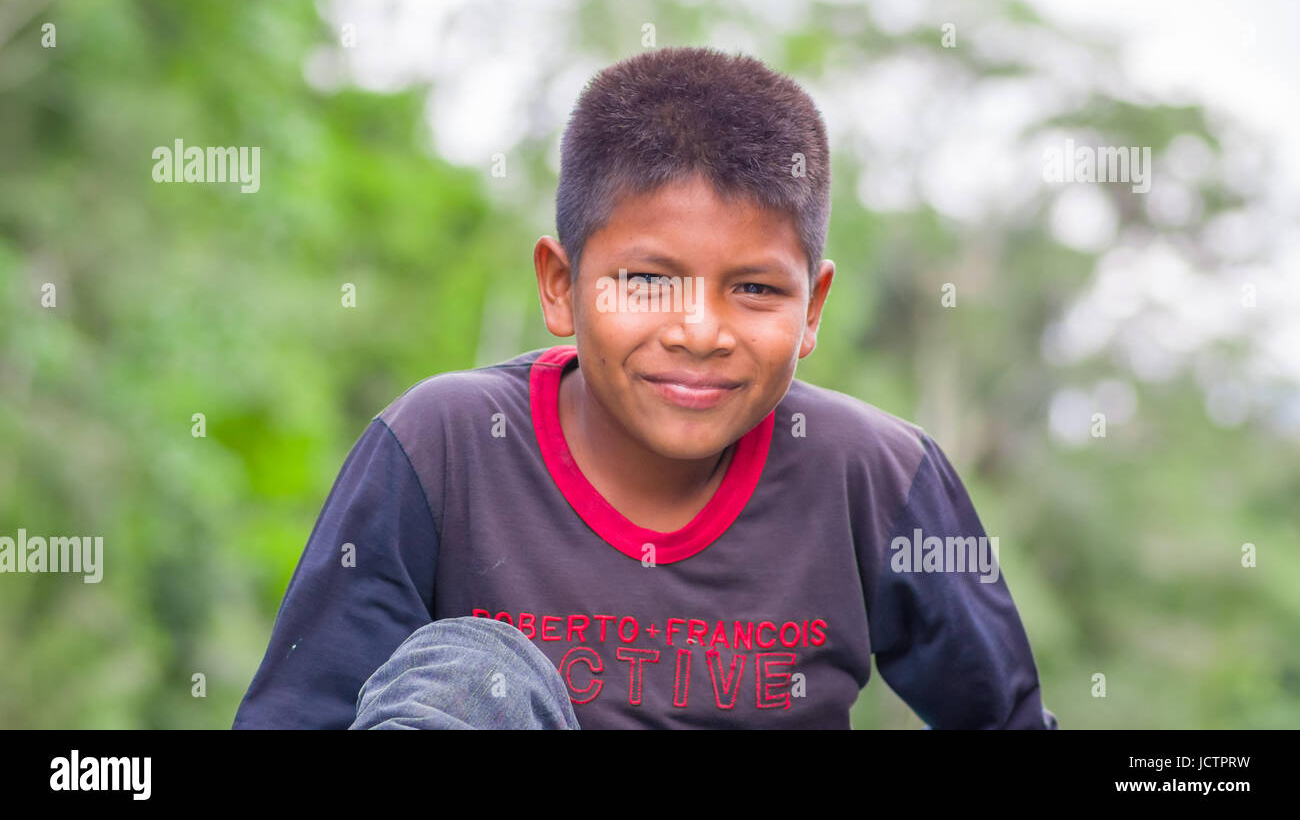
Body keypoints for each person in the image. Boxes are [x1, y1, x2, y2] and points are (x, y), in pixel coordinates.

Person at [233, 46, 1059, 729]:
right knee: (472, 676)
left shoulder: (875, 474)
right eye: (647, 280)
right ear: (560, 284)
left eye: (757, 290)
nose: (699, 331)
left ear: (814, 308)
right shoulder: (441, 444)